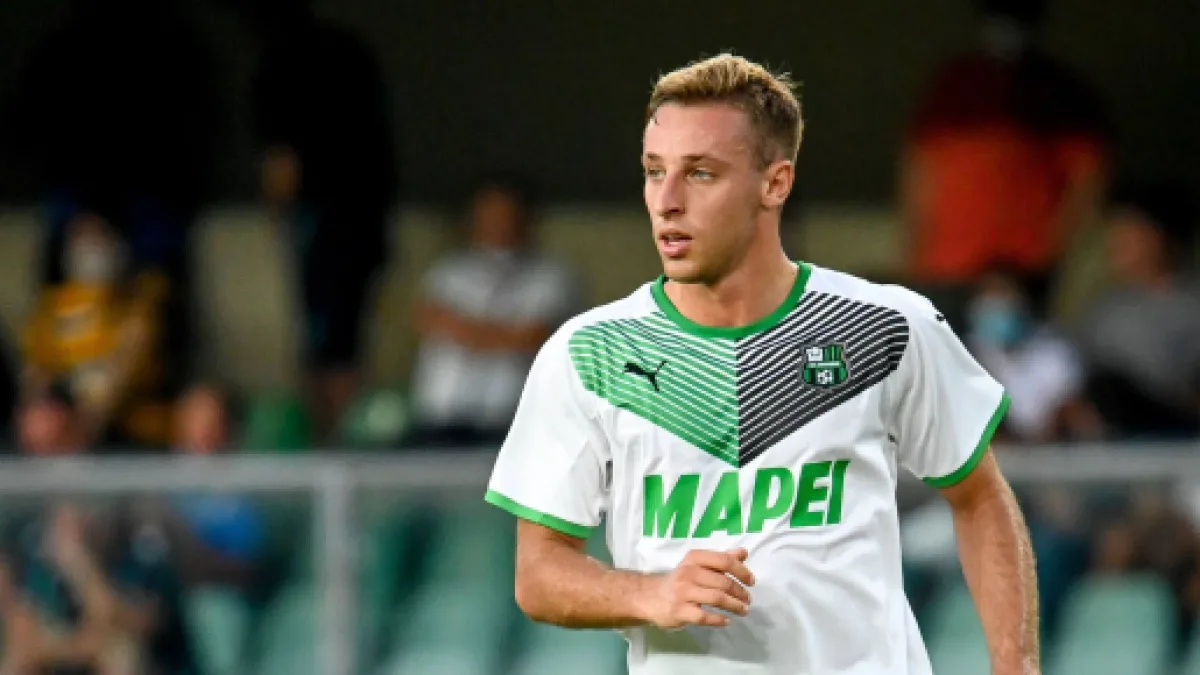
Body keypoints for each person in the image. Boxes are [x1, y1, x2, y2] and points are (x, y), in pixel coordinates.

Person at [484, 54, 1038, 674]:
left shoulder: (884, 326)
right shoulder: (587, 354)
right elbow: (539, 574)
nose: (667, 201)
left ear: (775, 184)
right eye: (654, 171)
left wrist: (1016, 666)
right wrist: (651, 593)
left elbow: (980, 497)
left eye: (700, 174)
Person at [901, 0, 1111, 330]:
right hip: (945, 266)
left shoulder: (1061, 92)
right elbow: (920, 168)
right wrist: (915, 246)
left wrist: (1051, 253)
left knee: (1014, 360)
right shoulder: (953, 84)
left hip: (1021, 268)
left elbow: (1087, 183)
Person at [248, 0, 398, 443]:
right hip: (357, 221)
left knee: (331, 344)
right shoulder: (343, 51)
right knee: (331, 341)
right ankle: (336, 439)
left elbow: (281, 164)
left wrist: (281, 207)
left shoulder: (292, 61)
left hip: (337, 225)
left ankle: (336, 442)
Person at [405, 175, 581, 448]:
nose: (496, 223)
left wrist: (463, 330)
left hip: (508, 420)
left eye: (505, 214)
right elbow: (427, 321)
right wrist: (501, 334)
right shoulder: (447, 272)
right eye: (488, 213)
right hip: (440, 417)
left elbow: (534, 337)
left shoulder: (550, 276)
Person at [22, 211, 177, 450]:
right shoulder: (50, 309)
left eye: (97, 238)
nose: (88, 249)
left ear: (118, 245)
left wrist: (94, 412)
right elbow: (36, 374)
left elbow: (133, 367)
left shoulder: (141, 301)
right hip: (65, 429)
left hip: (128, 431)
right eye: (80, 238)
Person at [1078, 181, 1200, 438]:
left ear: (1159, 237)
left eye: (1130, 235)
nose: (1117, 245)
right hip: (1116, 440)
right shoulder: (1105, 310)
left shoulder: (1191, 305)